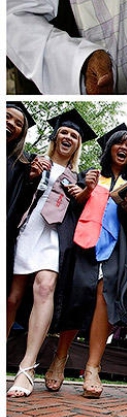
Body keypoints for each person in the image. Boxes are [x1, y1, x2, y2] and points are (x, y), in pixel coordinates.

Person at [46, 123, 127, 398]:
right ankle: (60, 357)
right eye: (119, 143)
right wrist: (86, 191)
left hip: (114, 251)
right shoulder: (90, 176)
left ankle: (92, 367)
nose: (123, 148)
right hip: (85, 246)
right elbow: (69, 208)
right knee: (77, 297)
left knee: (104, 298)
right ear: (109, 146)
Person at [7, 109, 96, 398]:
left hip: (54, 237)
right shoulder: (31, 162)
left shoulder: (81, 178)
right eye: (64, 132)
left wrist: (84, 193)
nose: (68, 136)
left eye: (74, 135)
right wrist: (32, 176)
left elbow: (84, 215)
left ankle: (27, 367)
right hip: (26, 228)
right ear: (55, 136)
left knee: (44, 288)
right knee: (12, 298)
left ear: (78, 144)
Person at [6, 103, 37, 298]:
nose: (10, 123)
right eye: (7, 116)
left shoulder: (19, 165)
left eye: (18, 123)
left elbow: (19, 208)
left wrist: (31, 179)